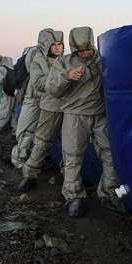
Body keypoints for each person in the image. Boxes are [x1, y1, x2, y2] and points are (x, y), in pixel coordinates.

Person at [46, 26, 125, 218]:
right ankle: (73, 196)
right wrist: (66, 77)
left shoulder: (102, 59)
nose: (86, 53)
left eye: (88, 48)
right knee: (72, 156)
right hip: (74, 115)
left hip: (99, 113)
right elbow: (51, 89)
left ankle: (108, 193)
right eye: (81, 50)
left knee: (109, 153)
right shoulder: (64, 62)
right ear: (74, 47)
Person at [18, 30, 64, 190]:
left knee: (70, 145)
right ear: (47, 46)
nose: (57, 48)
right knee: (42, 142)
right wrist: (63, 79)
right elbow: (38, 83)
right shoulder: (38, 61)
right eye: (54, 45)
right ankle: (30, 174)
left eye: (60, 44)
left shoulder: (67, 60)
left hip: (70, 107)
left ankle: (69, 179)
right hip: (50, 106)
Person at [10, 28, 54, 169]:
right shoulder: (35, 53)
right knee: (27, 130)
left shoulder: (40, 52)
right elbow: (39, 74)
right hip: (33, 96)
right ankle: (18, 160)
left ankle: (32, 157)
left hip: (42, 97)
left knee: (39, 131)